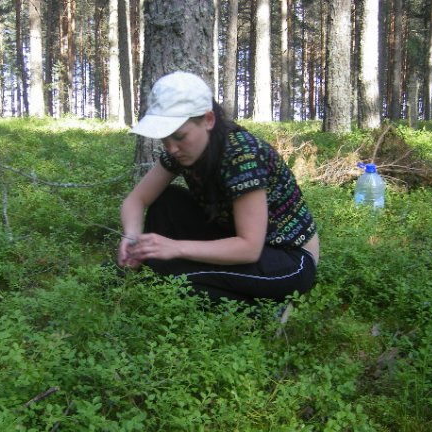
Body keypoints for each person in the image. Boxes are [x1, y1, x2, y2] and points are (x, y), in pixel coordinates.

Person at [118, 71, 319, 304]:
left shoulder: (242, 156)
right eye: (165, 138)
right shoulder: (184, 151)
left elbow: (250, 248)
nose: (171, 148)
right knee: (166, 200)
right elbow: (137, 199)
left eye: (180, 136)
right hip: (232, 236)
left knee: (175, 278)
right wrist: (131, 236)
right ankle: (160, 268)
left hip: (289, 258)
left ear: (208, 120)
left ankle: (266, 309)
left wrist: (176, 248)